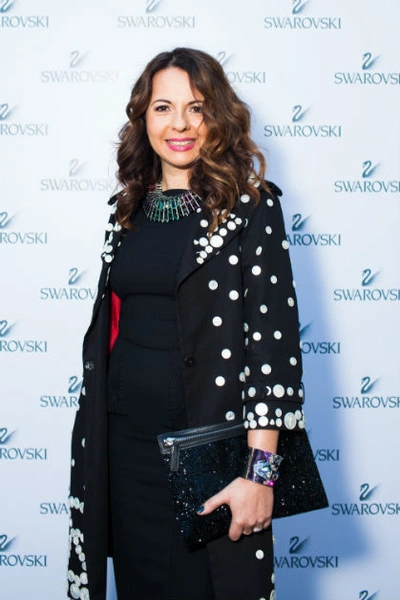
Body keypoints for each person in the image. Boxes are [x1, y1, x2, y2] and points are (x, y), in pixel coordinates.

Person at [67, 47, 305, 600]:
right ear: (143, 118)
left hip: (213, 460)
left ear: (216, 117)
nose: (179, 124)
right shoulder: (125, 209)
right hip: (124, 452)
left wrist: (260, 476)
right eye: (163, 108)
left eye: (195, 108)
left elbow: (273, 354)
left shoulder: (251, 208)